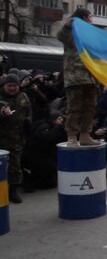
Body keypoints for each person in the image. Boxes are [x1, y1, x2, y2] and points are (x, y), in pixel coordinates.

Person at [56, 8, 100, 147]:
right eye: (90, 16)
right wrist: (69, 24)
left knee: (90, 107)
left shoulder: (88, 34)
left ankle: (85, 135)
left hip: (90, 77)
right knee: (74, 108)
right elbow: (61, 35)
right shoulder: (70, 31)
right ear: (85, 17)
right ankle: (72, 136)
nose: (91, 20)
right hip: (75, 76)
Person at [0, 74, 32, 203]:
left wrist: (29, 122)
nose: (12, 88)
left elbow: (28, 111)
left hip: (18, 138)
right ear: (4, 86)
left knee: (15, 167)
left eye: (15, 85)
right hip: (2, 138)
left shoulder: (23, 96)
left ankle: (12, 192)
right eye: (9, 86)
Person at [22, 112, 67, 191]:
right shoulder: (44, 126)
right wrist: (57, 127)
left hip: (43, 155)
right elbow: (48, 137)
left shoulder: (51, 126)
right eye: (58, 119)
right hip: (36, 156)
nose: (61, 120)